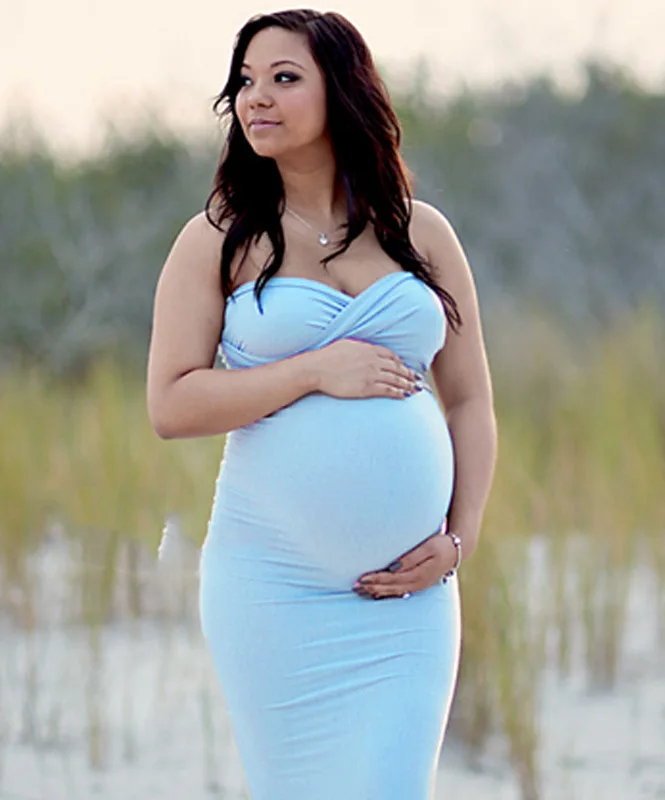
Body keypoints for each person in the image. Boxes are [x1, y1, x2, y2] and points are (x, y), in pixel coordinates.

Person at [146, 9, 496, 799]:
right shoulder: (217, 239)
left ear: (342, 92)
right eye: (245, 81)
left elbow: (470, 400)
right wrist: (313, 370)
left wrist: (460, 538)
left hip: (410, 601)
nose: (255, 98)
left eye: (283, 78)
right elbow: (171, 404)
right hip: (272, 589)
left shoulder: (422, 234)